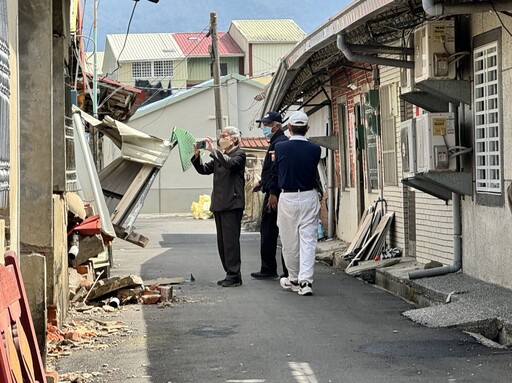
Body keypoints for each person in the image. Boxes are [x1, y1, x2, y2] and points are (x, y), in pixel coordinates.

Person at [191, 126, 246, 287]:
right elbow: (204, 170)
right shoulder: (220, 156)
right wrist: (197, 156)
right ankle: (229, 272)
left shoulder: (239, 154)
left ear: (234, 139)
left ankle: (234, 275)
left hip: (232, 203)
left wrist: (213, 150)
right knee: (222, 242)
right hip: (220, 203)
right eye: (220, 136)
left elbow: (230, 164)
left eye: (224, 136)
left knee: (231, 242)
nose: (221, 139)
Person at [274, 111, 321, 296]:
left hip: (288, 197)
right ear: (307, 128)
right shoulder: (315, 149)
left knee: (289, 241)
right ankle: (305, 282)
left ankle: (293, 278)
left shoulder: (280, 148)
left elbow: (279, 168)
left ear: (289, 128)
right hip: (309, 195)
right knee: (308, 240)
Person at [250, 111, 289, 280]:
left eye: (267, 124)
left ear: (276, 125)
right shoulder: (276, 142)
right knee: (274, 231)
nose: (264, 128)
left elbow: (276, 172)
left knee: (270, 231)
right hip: (273, 191)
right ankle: (282, 270)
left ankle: (270, 269)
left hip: (276, 195)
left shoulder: (279, 143)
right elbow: (270, 171)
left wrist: (272, 192)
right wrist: (262, 183)